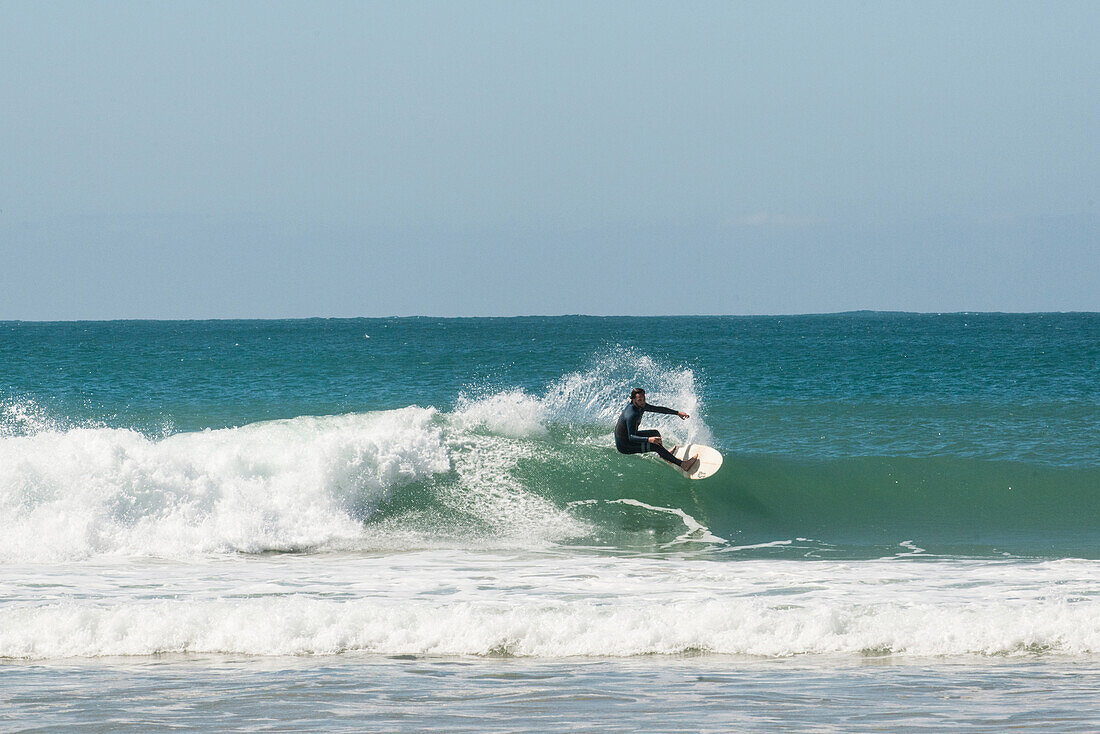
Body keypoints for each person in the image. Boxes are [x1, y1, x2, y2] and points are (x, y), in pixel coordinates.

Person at [614, 388, 699, 473]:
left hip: (629, 437)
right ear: (633, 400)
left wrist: (677, 413)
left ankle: (665, 456)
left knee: (655, 433)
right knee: (655, 446)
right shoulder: (632, 414)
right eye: (640, 400)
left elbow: (658, 409)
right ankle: (683, 465)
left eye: (644, 399)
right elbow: (631, 437)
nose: (643, 402)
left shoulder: (640, 406)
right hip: (625, 445)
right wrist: (648, 439)